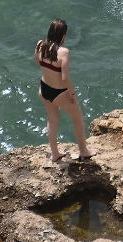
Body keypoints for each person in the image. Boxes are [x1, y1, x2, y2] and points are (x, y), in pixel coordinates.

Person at [35, 19, 96, 162]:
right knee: (78, 118)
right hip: (59, 92)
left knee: (52, 120)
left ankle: (54, 154)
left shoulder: (40, 45)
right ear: (63, 35)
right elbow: (65, 78)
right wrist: (72, 94)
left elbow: (38, 62)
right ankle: (84, 150)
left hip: (44, 88)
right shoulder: (64, 52)